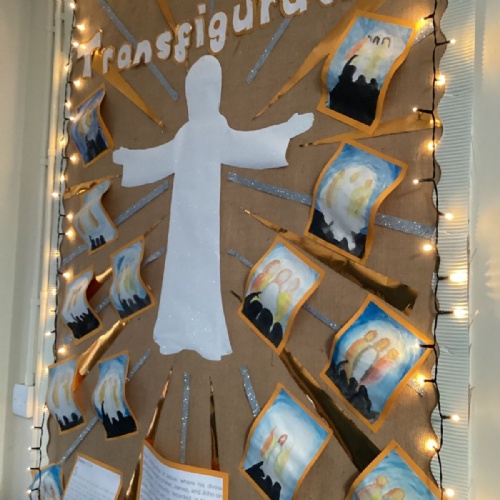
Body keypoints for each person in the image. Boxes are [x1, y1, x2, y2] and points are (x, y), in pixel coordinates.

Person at [113, 55, 313, 360]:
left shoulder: (214, 130)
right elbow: (161, 157)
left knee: (202, 274)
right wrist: (130, 158)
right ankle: (173, 333)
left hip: (204, 219)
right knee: (179, 275)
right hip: (183, 221)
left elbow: (247, 145)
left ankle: (204, 337)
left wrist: (287, 129)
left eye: (206, 89)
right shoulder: (186, 133)